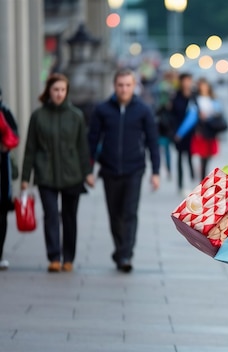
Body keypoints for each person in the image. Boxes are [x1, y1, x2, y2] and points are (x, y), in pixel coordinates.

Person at [88, 68, 160, 273]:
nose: (124, 89)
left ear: (134, 85)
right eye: (120, 85)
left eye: (128, 85)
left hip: (134, 169)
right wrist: (89, 170)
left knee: (129, 213)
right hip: (109, 170)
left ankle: (126, 254)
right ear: (114, 86)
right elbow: (92, 140)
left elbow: (152, 142)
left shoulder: (143, 110)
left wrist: (155, 172)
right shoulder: (102, 110)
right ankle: (120, 249)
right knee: (115, 214)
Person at [21, 74, 94, 273]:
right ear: (49, 91)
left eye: (63, 90)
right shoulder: (38, 116)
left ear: (67, 92)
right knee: (51, 215)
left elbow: (82, 147)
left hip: (72, 174)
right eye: (55, 90)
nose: (59, 94)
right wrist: (25, 177)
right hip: (46, 173)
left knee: (70, 217)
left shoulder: (76, 115)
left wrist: (88, 173)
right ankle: (54, 256)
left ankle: (68, 258)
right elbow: (30, 147)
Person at [174, 77, 223, 179]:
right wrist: (181, 132)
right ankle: (202, 178)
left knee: (208, 156)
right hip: (202, 132)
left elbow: (219, 114)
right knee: (203, 157)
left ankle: (204, 176)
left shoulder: (213, 99)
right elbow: (190, 119)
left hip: (211, 131)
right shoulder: (196, 101)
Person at [0, 87, 19, 271]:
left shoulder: (4, 112)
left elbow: (15, 136)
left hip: (1, 170)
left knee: (1, 212)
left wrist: (5, 144)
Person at [170, 72, 195, 193]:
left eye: (189, 80)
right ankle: (180, 184)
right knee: (180, 157)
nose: (187, 83)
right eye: (185, 80)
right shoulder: (176, 97)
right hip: (179, 133)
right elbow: (172, 115)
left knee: (191, 156)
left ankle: (193, 180)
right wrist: (175, 132)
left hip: (193, 133)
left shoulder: (194, 96)